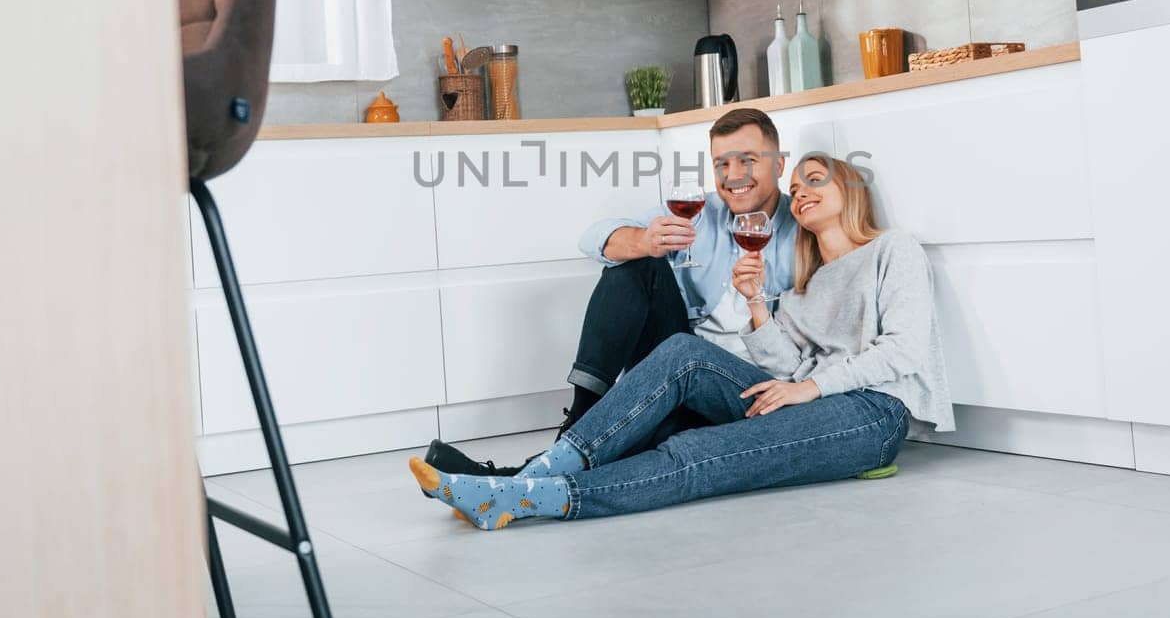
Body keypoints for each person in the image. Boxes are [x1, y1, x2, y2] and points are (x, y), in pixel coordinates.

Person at [408, 152, 954, 528]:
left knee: (698, 452)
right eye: (796, 188)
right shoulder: (805, 279)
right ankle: (534, 474)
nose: (800, 193)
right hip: (808, 398)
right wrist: (760, 308)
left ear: (850, 188)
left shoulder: (892, 249)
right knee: (681, 353)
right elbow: (787, 365)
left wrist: (811, 388)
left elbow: (903, 350)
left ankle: (523, 498)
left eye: (815, 180)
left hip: (873, 414)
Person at [426, 107, 800, 477]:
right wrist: (644, 240)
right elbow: (593, 238)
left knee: (641, 437)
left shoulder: (804, 231)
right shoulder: (702, 211)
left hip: (745, 384)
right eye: (722, 164)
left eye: (748, 161)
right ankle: (579, 420)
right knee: (636, 265)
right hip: (678, 363)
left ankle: (520, 474)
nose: (733, 176)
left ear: (779, 165)